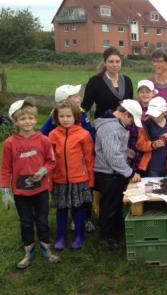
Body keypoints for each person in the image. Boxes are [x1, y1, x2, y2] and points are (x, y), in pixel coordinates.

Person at [1, 98, 59, 269]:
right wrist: (5, 189)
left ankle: (46, 249)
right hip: (20, 192)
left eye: (31, 118)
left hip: (40, 189)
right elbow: (5, 168)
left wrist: (43, 171)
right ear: (15, 121)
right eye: (23, 119)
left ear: (35, 119)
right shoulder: (10, 143)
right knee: (26, 222)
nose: (27, 122)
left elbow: (51, 161)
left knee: (42, 220)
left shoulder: (44, 140)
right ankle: (29, 252)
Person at [40, 83, 96, 233]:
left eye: (78, 95)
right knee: (67, 194)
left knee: (84, 193)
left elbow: (89, 132)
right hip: (63, 165)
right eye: (75, 96)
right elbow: (43, 134)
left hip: (83, 157)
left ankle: (87, 218)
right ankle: (73, 219)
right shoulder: (56, 116)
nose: (79, 98)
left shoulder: (82, 112)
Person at [94, 99, 143, 249]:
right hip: (109, 174)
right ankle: (107, 237)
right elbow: (112, 157)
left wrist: (125, 152)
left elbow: (112, 149)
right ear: (125, 114)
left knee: (114, 204)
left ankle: (116, 232)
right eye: (131, 120)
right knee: (110, 206)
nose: (131, 124)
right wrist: (130, 173)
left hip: (113, 173)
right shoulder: (111, 129)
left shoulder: (116, 126)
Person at [48, 100, 94, 251]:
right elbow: (49, 160)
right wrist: (49, 181)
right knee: (61, 209)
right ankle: (61, 237)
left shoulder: (84, 135)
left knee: (77, 208)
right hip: (59, 179)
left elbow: (89, 159)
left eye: (68, 115)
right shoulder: (53, 135)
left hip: (79, 179)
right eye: (61, 116)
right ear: (56, 117)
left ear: (75, 116)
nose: (65, 119)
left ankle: (79, 236)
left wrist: (90, 180)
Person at [137, 97, 167, 177]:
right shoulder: (146, 125)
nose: (154, 117)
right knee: (153, 188)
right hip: (153, 167)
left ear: (164, 113)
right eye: (152, 114)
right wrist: (153, 145)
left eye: (156, 115)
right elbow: (140, 145)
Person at [82, 47, 134, 119]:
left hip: (125, 125)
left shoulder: (127, 80)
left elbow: (131, 105)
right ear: (104, 63)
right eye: (111, 62)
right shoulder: (95, 82)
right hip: (103, 124)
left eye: (117, 61)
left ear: (121, 62)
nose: (114, 65)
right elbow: (85, 107)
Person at [127, 80, 158, 173]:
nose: (145, 94)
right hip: (135, 150)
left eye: (147, 92)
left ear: (153, 93)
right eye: (142, 92)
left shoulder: (158, 110)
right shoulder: (132, 109)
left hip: (153, 151)